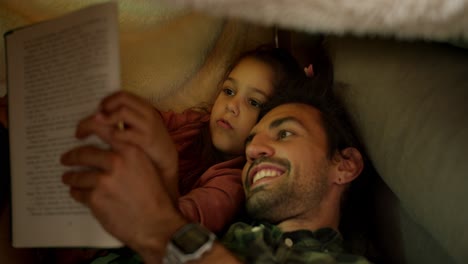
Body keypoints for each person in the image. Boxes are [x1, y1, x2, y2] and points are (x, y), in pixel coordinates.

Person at [61, 76, 372, 263]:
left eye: (285, 134)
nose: (251, 150)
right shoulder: (235, 239)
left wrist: (160, 227)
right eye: (252, 140)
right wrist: (165, 175)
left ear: (344, 165)